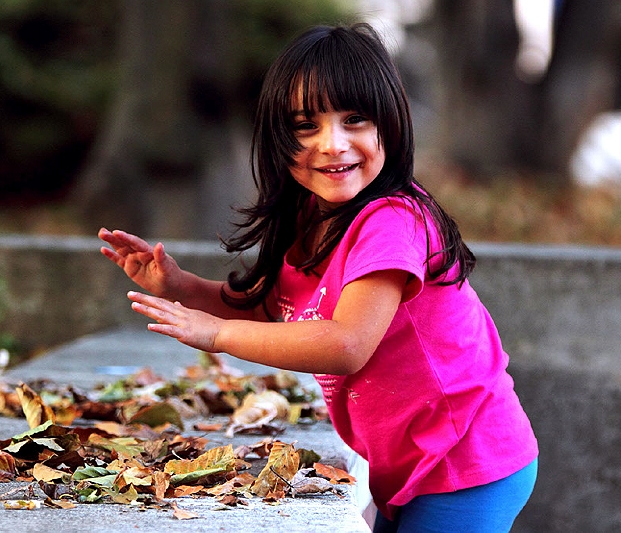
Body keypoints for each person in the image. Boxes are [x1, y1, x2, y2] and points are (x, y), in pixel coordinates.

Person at [98, 23, 538, 533]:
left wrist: (215, 335)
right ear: (278, 137)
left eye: (355, 120)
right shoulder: (312, 212)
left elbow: (347, 344)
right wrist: (179, 287)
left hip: (466, 461)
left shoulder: (392, 220)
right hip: (403, 463)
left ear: (391, 125)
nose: (333, 144)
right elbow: (269, 310)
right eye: (307, 125)